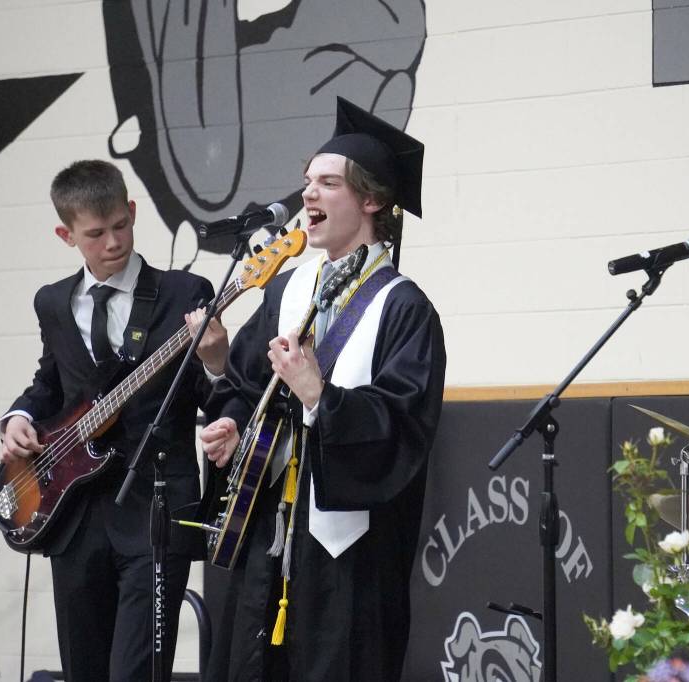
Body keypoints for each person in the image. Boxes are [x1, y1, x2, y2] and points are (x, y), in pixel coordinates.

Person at [200, 97, 446, 681]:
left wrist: (321, 397)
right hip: (266, 529)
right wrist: (230, 418)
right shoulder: (286, 288)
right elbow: (241, 385)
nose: (307, 194)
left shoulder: (404, 307)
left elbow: (403, 428)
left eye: (327, 183)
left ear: (372, 200)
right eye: (307, 181)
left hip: (346, 550)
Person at [0, 159, 228, 681]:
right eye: (95, 234)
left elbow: (211, 393)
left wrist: (216, 362)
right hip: (73, 514)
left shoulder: (184, 292)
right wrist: (19, 416)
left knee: (137, 673)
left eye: (121, 226)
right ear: (66, 234)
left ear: (132, 210)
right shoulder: (52, 302)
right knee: (84, 669)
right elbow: (51, 382)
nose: (113, 243)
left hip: (154, 508)